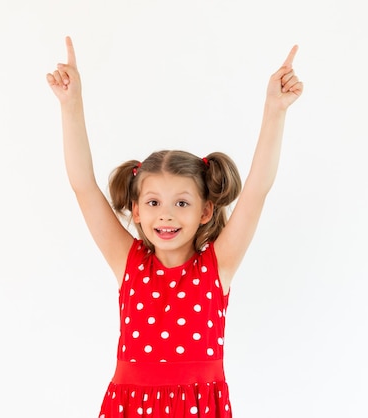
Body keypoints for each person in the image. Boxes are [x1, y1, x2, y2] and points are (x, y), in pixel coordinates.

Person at [46, 36, 303, 418]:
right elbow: (83, 185)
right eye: (153, 203)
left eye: (181, 203)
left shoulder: (218, 265)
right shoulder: (128, 261)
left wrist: (275, 110)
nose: (165, 216)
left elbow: (257, 190)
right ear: (135, 210)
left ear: (205, 211)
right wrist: (71, 104)